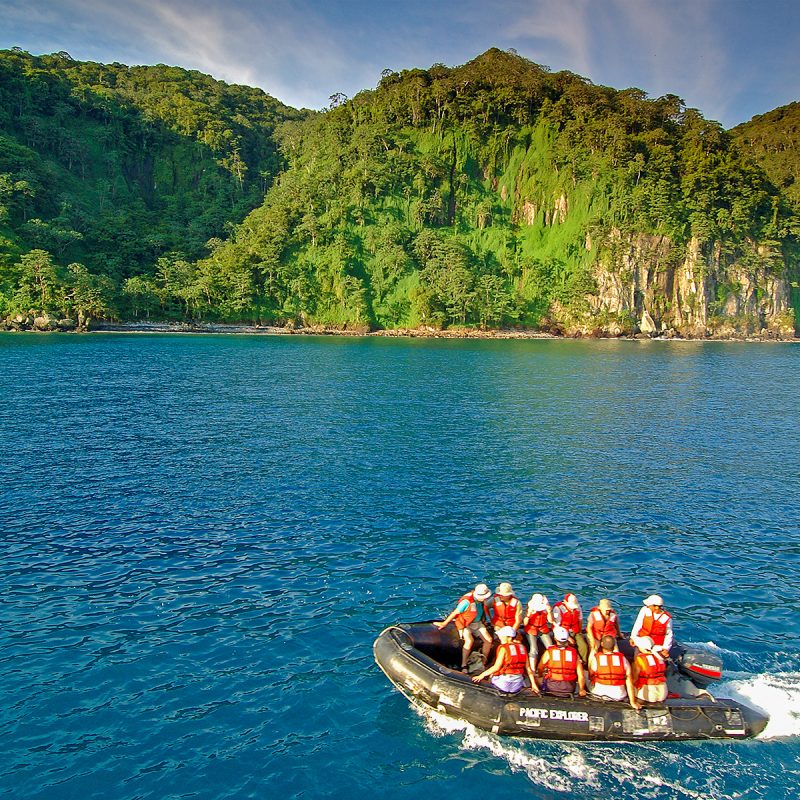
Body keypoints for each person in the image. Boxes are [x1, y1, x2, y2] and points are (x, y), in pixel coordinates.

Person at [434, 583, 493, 671]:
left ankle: (483, 662)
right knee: (469, 641)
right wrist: (444, 623)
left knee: (488, 640)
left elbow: (485, 610)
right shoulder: (466, 602)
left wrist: (490, 620)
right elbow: (455, 613)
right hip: (466, 624)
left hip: (478, 623)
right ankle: (464, 664)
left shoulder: (482, 601)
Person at [472, 626, 539, 694]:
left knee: (492, 675)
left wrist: (481, 675)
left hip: (504, 684)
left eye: (502, 636)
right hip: (517, 684)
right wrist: (534, 685)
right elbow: (528, 669)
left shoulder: (503, 648)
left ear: (509, 637)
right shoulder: (522, 647)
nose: (500, 637)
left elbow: (496, 667)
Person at [588, 634, 641, 709]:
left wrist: (593, 650)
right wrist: (632, 702)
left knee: (587, 676)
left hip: (599, 695)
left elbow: (591, 675)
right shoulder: (623, 659)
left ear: (602, 644)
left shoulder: (596, 659)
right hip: (619, 696)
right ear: (614, 646)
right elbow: (629, 682)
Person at [537, 625, 587, 698]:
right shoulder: (574, 653)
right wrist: (582, 689)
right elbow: (581, 675)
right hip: (569, 688)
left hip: (552, 687)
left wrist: (542, 675)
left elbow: (540, 668)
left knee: (536, 677)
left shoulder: (549, 652)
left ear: (555, 639)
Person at [552, 592, 589, 663]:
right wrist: (568, 637)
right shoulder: (558, 609)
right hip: (563, 631)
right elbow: (557, 626)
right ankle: (571, 663)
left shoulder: (578, 608)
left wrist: (579, 632)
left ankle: (583, 663)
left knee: (583, 647)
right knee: (569, 646)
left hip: (575, 630)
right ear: (565, 602)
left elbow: (580, 620)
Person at [631, 636, 668, 703]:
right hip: (663, 693)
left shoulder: (640, 659)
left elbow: (635, 678)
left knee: (630, 685)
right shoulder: (659, 657)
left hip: (649, 694)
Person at [523, 593, 553, 667]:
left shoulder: (545, 610)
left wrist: (549, 612)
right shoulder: (529, 610)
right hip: (531, 629)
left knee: (550, 647)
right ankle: (532, 669)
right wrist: (528, 615)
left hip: (543, 629)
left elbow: (551, 621)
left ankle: (550, 666)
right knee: (533, 649)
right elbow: (525, 623)